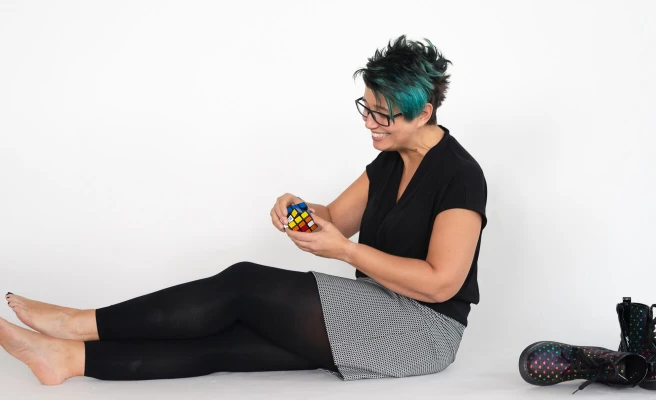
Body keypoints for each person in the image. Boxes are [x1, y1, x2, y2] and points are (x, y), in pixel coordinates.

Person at [0, 35, 487, 385]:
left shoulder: (460, 176)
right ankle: (66, 359)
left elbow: (441, 282)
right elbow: (336, 221)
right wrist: (297, 206)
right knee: (227, 342)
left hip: (424, 330)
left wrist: (344, 253)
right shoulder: (388, 161)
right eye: (365, 108)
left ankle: (79, 322)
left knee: (242, 285)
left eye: (383, 115)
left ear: (424, 113)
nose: (370, 124)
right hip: (374, 310)